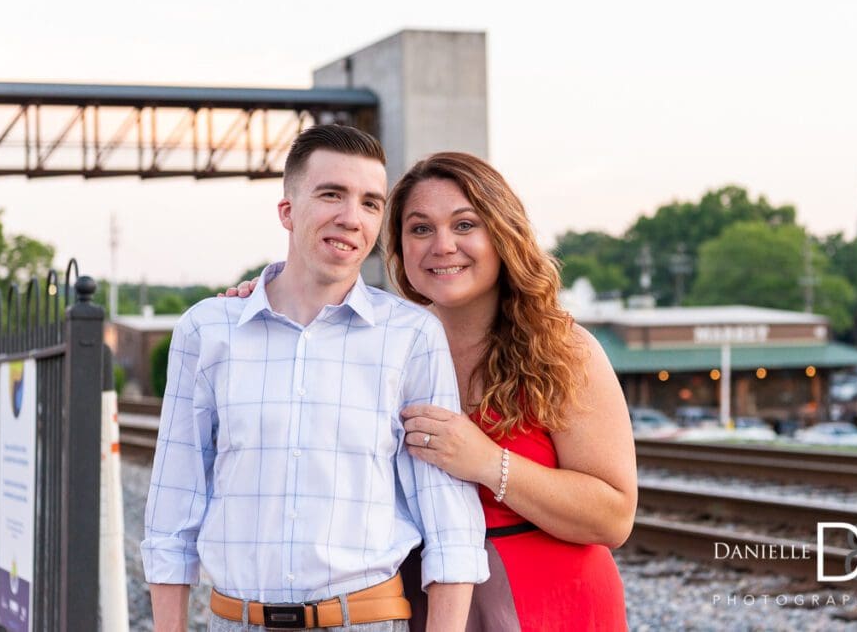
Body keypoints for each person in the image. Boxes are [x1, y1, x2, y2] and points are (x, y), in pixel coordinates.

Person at [230, 151, 637, 631]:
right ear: (399, 249)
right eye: (420, 229)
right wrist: (267, 296)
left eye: (464, 225)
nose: (442, 245)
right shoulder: (385, 344)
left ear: (502, 234)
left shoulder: (563, 350)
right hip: (421, 597)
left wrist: (487, 462)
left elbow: (613, 517)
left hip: (550, 602)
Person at [142, 126, 488, 632]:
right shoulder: (208, 330)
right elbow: (172, 509)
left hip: (364, 620)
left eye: (371, 203)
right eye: (332, 194)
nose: (352, 218)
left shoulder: (411, 336)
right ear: (287, 210)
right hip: (235, 621)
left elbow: (450, 520)